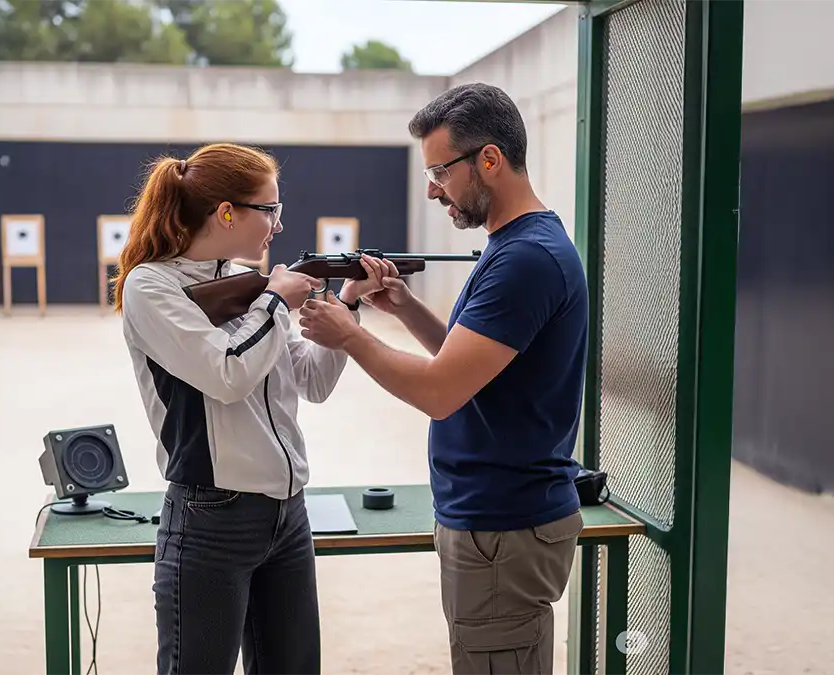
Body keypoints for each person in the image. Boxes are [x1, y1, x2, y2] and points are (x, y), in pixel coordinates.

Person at [296, 83, 589, 674]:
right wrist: (404, 307)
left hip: (503, 526)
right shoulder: (515, 247)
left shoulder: (524, 259)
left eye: (440, 171)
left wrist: (349, 333)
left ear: (489, 159)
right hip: (498, 522)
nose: (433, 189)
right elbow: (471, 368)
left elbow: (439, 391)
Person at [111, 142, 381, 675]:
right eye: (270, 209)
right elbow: (228, 373)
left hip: (287, 513)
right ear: (227, 212)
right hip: (212, 517)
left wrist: (349, 304)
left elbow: (313, 379)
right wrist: (277, 301)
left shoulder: (243, 283)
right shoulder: (152, 286)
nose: (278, 224)